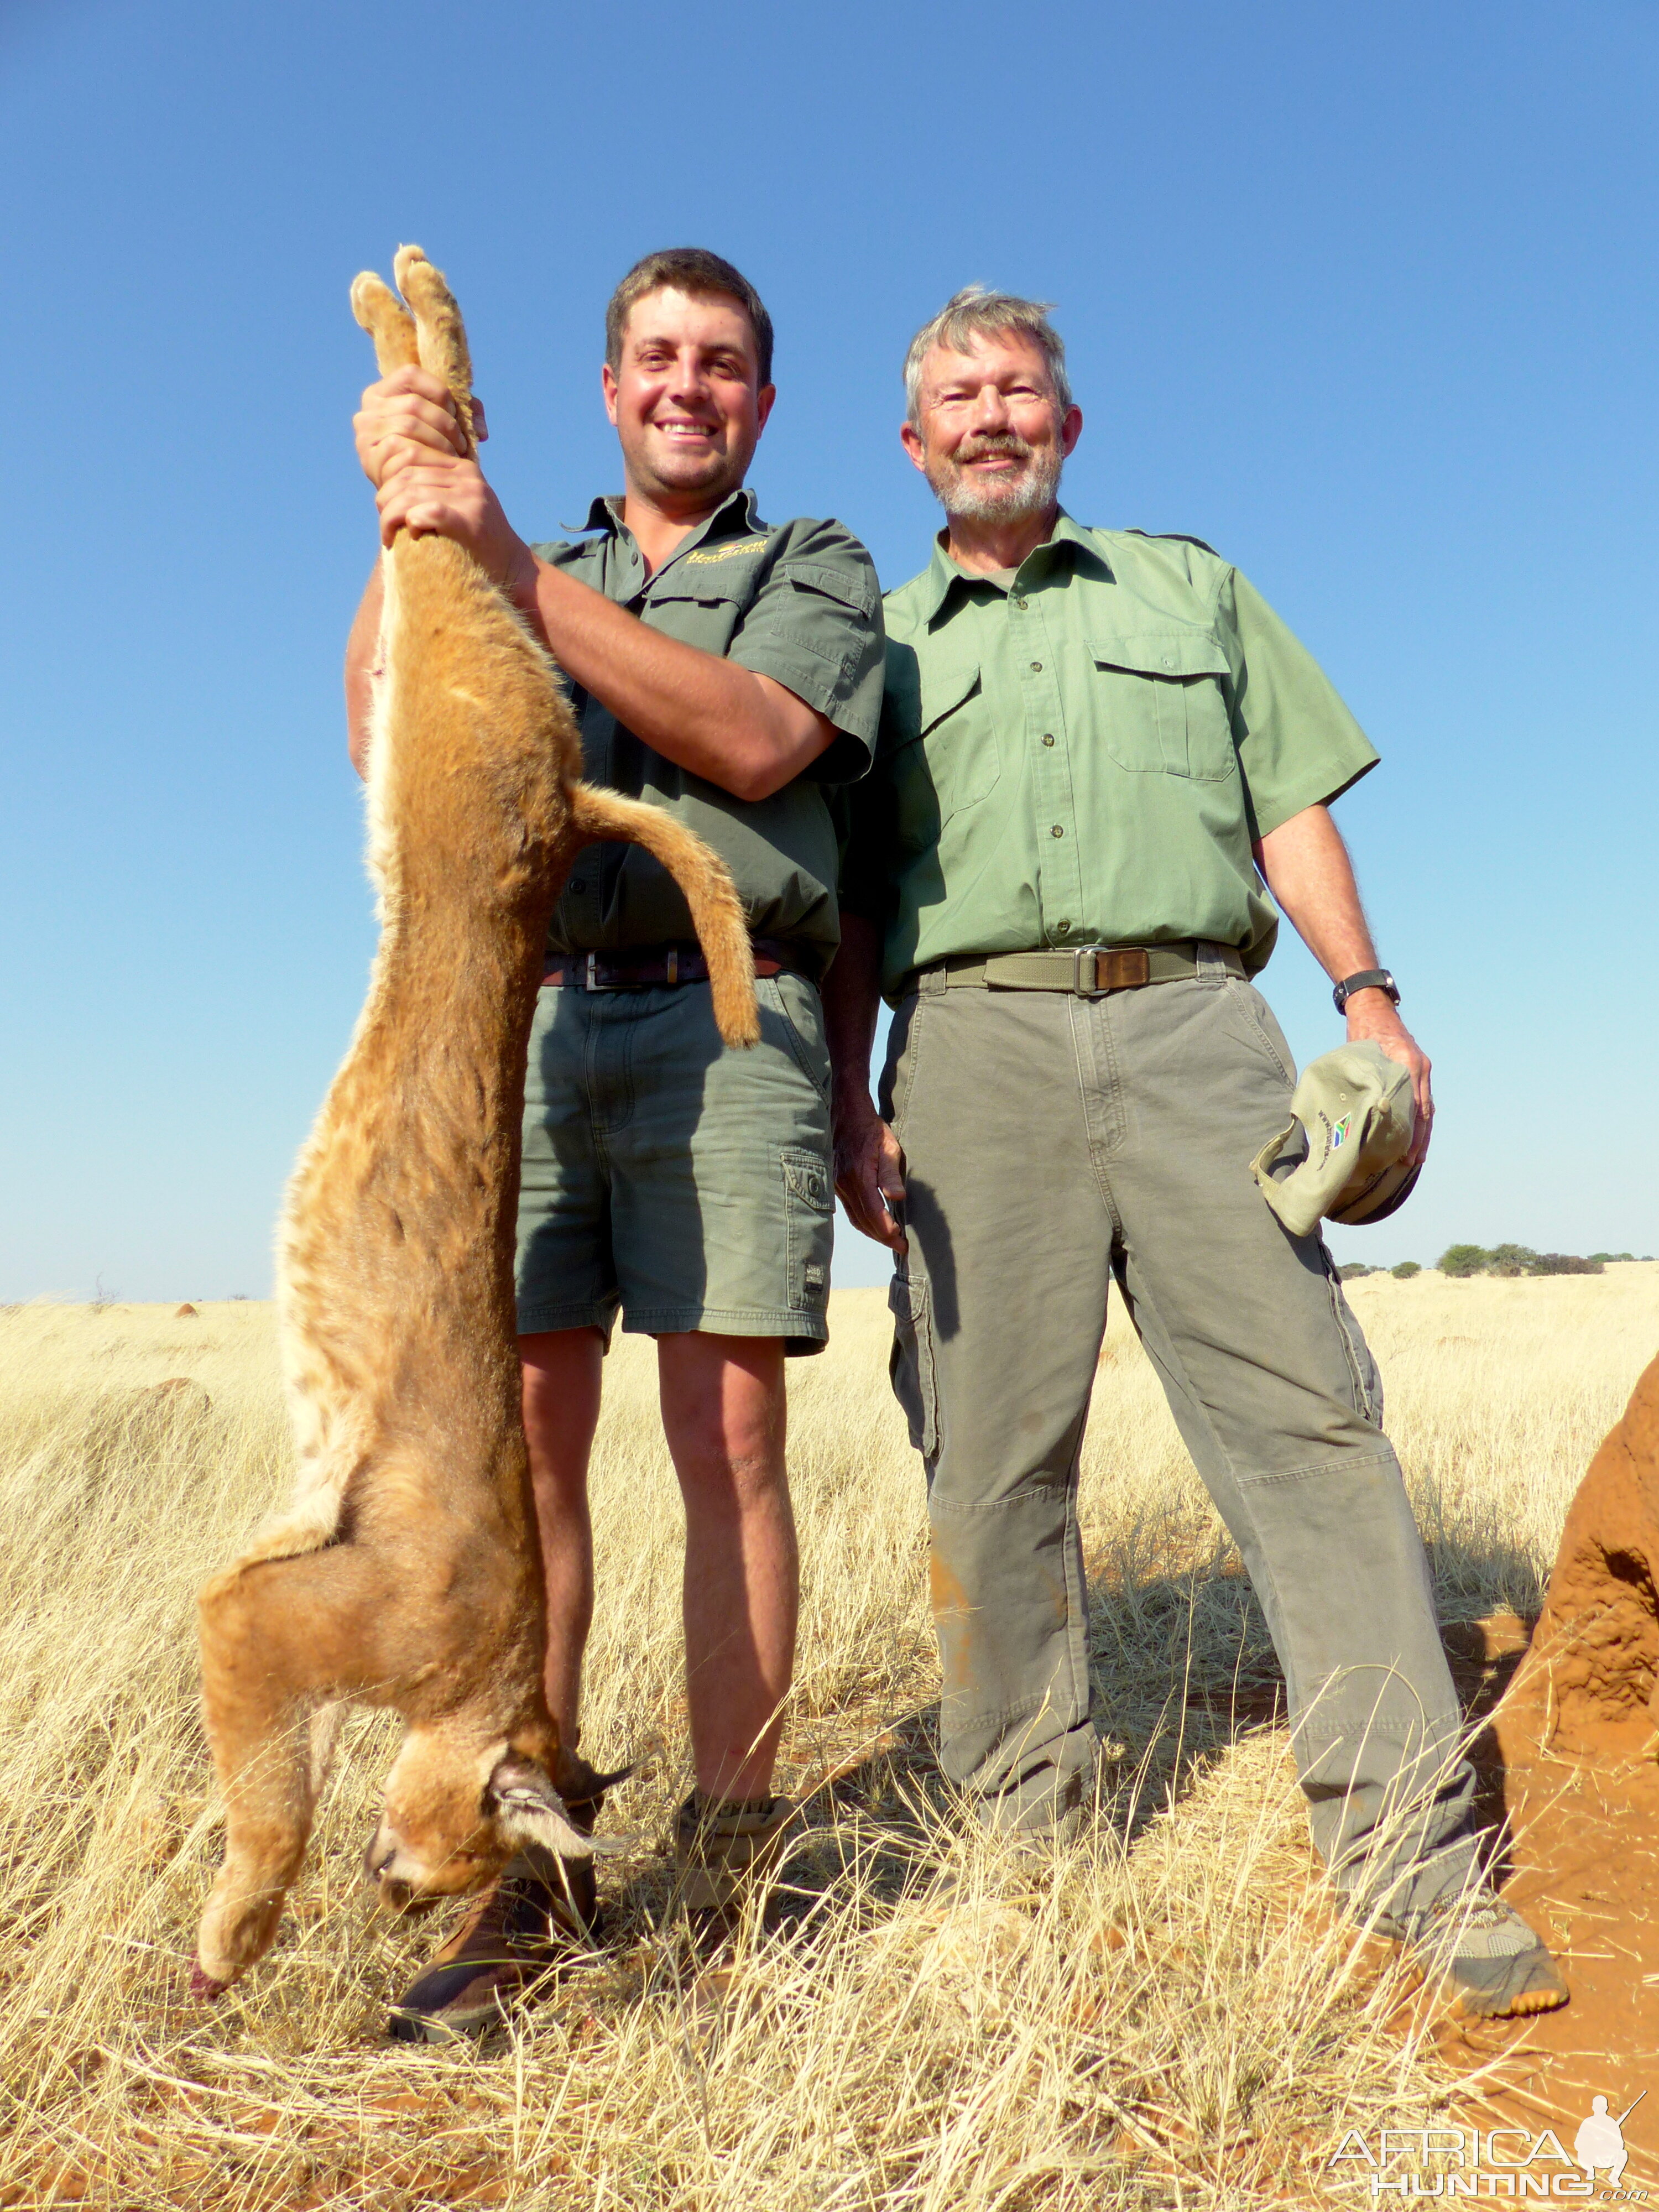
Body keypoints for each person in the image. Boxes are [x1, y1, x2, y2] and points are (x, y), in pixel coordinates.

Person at [824, 285, 1567, 2020]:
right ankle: (1029, 1857)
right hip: (972, 1046)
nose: (993, 413)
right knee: (989, 1462)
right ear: (914, 441)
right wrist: (863, 1094)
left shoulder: (1191, 586)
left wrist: (1370, 1000)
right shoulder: (872, 644)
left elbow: (1289, 801)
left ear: (1067, 428)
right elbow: (859, 898)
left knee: (1309, 1426)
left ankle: (1410, 1854)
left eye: (1022, 388)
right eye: (958, 394)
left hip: (1195, 1030)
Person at [348, 247, 884, 2039]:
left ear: (763, 399)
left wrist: (498, 556)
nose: (687, 386)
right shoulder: (522, 542)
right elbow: (377, 729)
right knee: (520, 1442)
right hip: (526, 1010)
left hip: (736, 1008)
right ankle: (541, 1865)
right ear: (606, 386)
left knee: (727, 1426)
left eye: (722, 363)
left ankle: (735, 1857)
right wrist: (411, 510)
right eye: (657, 356)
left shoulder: (814, 563)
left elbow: (751, 739)